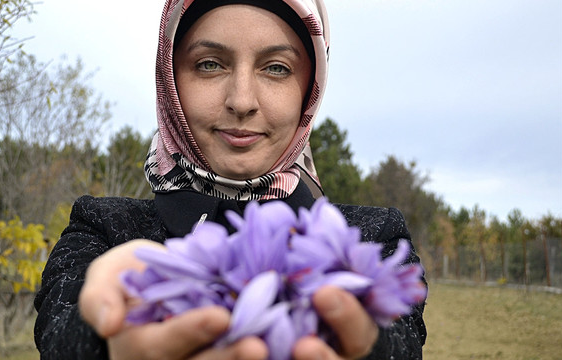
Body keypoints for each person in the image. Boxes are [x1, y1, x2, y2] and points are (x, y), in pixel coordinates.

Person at [34, 0, 427, 359]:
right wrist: (107, 335)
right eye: (209, 64)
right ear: (170, 80)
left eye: (276, 67)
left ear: (310, 88)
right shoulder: (101, 230)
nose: (241, 100)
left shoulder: (372, 240)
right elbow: (61, 331)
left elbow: (400, 342)